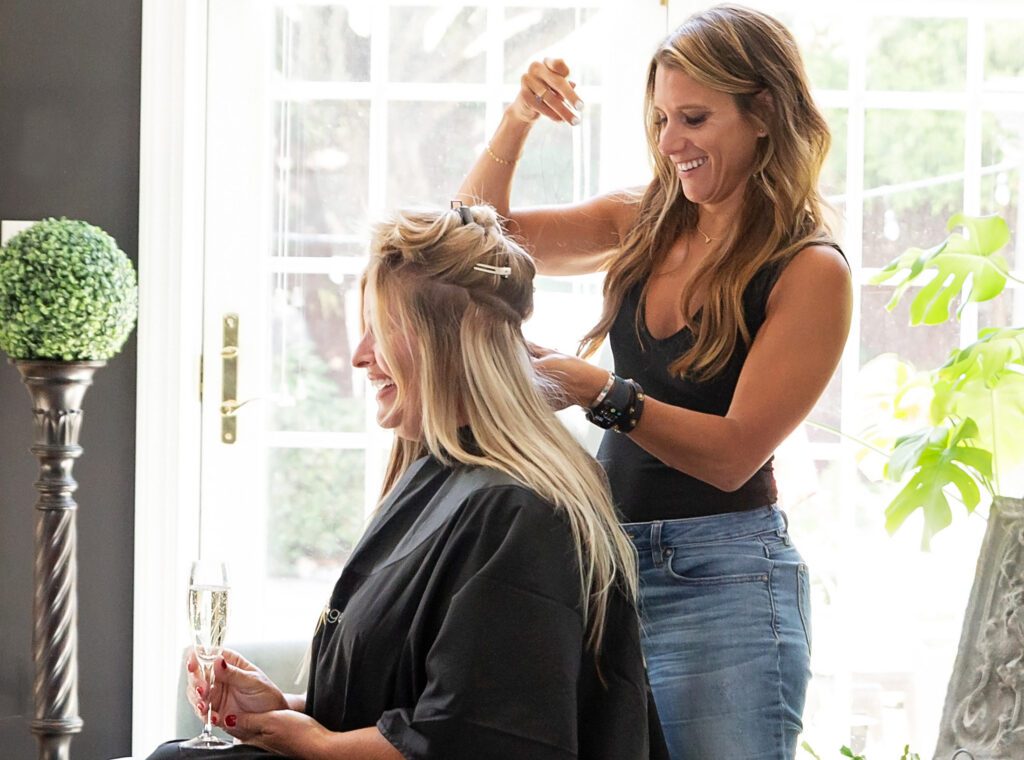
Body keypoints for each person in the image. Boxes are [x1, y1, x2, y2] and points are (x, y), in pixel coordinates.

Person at [456, 5, 853, 760]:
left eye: (695, 119)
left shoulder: (811, 270)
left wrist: (599, 392)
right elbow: (473, 252)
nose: (670, 143)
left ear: (764, 111)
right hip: (608, 567)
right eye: (663, 118)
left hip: (726, 584)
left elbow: (733, 454)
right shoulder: (644, 220)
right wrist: (517, 118)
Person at [147, 205, 668, 760]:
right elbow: (415, 705)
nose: (358, 356)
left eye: (378, 329)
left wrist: (316, 744)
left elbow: (480, 740)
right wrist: (291, 708)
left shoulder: (519, 514)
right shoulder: (437, 473)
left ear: (447, 340)